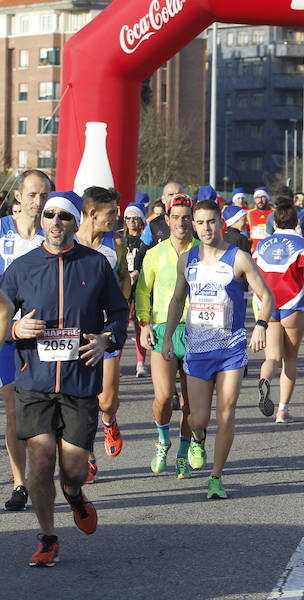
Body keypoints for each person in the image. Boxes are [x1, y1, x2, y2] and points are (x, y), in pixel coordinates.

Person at [2, 190, 128, 567]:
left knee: (72, 471)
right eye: (50, 215)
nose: (56, 222)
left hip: (79, 381)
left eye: (64, 217)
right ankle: (48, 537)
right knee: (40, 461)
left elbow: (119, 314)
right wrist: (14, 329)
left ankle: (74, 494)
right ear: (42, 221)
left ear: (76, 223)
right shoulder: (21, 269)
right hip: (34, 381)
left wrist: (107, 339)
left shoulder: (95, 265)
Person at [162, 200, 274, 499]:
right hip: (198, 349)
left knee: (226, 413)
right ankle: (198, 438)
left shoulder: (239, 259)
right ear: (194, 226)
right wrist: (168, 337)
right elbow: (176, 300)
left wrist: (261, 324)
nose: (206, 228)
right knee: (197, 419)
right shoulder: (187, 260)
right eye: (200, 223)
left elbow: (267, 295)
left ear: (220, 222)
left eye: (211, 222)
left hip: (231, 348)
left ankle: (215, 477)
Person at [136, 193, 198, 479]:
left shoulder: (203, 250)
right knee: (163, 398)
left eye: (187, 218)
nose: (181, 223)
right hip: (164, 330)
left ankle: (185, 452)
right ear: (167, 220)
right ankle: (163, 442)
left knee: (191, 404)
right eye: (176, 217)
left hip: (198, 332)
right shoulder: (155, 253)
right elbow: (142, 291)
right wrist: (144, 324)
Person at [0, 169, 51, 512]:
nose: (39, 202)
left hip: (46, 336)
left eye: (45, 195)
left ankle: (42, 474)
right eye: (33, 195)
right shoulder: (2, 231)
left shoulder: (54, 232)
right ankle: (21, 482)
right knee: (14, 409)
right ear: (18, 196)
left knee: (46, 413)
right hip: (8, 334)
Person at [76, 186, 131, 481]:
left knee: (105, 400)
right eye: (111, 213)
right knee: (82, 400)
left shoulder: (116, 243)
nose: (116, 218)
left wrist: (119, 306)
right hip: (77, 329)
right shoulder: (70, 241)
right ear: (92, 213)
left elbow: (123, 277)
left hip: (107, 329)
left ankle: (109, 421)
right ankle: (87, 455)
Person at [254, 197, 304, 423]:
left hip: (268, 305)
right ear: (297, 224)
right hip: (293, 304)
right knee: (290, 359)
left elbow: (254, 274)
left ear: (274, 223)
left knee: (271, 357)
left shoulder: (262, 245)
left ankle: (265, 380)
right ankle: (282, 409)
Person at [123, 202, 150, 378]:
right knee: (119, 324)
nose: (131, 221)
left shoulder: (145, 240)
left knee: (141, 324)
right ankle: (114, 363)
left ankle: (141, 363)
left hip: (141, 285)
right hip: (124, 285)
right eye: (128, 218)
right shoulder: (120, 239)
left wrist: (138, 273)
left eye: (135, 218)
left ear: (141, 219)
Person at [141, 181, 183, 247]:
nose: (174, 198)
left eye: (178, 195)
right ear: (163, 199)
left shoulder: (192, 223)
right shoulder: (153, 224)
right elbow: (141, 254)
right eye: (170, 195)